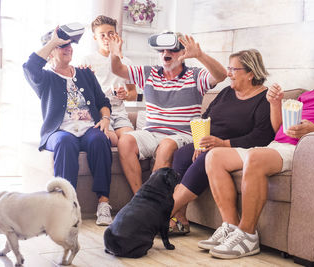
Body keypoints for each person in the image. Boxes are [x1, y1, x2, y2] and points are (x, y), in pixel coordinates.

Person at [201, 44, 314, 259]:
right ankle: (231, 226)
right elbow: (279, 128)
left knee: (255, 157)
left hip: (305, 149)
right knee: (214, 157)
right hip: (278, 145)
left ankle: (247, 235)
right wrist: (275, 104)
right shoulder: (309, 95)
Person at [169, 49, 280, 235]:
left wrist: (223, 143)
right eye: (229, 68)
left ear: (251, 73)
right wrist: (199, 142)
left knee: (205, 158)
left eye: (233, 69)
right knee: (182, 153)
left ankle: (164, 212)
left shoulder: (264, 98)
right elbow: (204, 118)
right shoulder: (227, 92)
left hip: (232, 148)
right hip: (209, 144)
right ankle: (180, 217)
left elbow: (261, 136)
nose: (228, 73)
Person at [109, 32, 227, 194]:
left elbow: (221, 75)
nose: (166, 54)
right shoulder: (148, 73)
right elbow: (117, 69)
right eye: (162, 50)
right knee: (125, 141)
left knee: (166, 146)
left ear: (183, 53)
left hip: (182, 135)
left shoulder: (195, 75)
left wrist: (200, 55)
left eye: (172, 50)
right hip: (151, 133)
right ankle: (139, 200)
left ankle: (151, 201)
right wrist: (115, 54)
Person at [23, 27, 114, 226]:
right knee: (65, 142)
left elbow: (103, 101)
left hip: (88, 128)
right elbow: (29, 67)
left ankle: (103, 203)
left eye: (69, 44)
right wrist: (52, 42)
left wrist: (105, 119)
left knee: (100, 138)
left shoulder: (85, 74)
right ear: (51, 51)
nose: (68, 48)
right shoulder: (45, 78)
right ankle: (66, 206)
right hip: (59, 131)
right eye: (61, 46)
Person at [80, 15, 137, 147]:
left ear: (116, 35)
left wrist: (126, 95)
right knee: (113, 140)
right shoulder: (87, 61)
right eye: (102, 35)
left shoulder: (127, 63)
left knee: (130, 140)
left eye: (110, 34)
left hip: (119, 113)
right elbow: (80, 95)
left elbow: (133, 93)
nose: (106, 39)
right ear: (95, 38)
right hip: (100, 112)